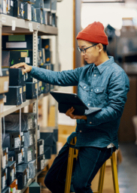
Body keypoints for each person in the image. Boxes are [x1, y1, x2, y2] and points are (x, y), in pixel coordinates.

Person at [11, 22, 130, 193]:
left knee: (80, 184)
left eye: (84, 49)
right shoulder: (85, 72)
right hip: (80, 136)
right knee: (52, 180)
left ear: (98, 47)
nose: (82, 54)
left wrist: (86, 117)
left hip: (101, 141)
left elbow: (115, 110)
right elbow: (58, 77)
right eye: (80, 50)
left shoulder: (117, 75)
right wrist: (31, 69)